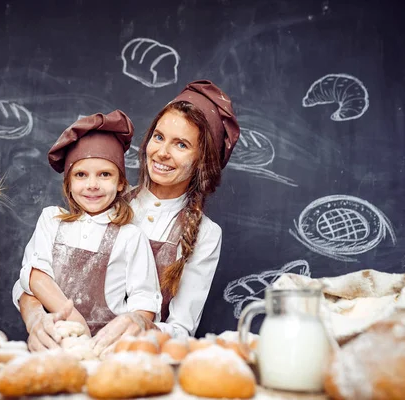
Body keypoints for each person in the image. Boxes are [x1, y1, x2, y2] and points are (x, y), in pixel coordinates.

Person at [90, 80, 240, 355]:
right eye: (158, 137)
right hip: (76, 348)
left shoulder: (206, 234)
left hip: (139, 362)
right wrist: (35, 313)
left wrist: (141, 325)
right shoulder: (103, 199)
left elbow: (182, 330)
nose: (161, 152)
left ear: (202, 160)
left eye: (181, 144)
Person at [12, 110, 162, 351]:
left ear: (120, 182)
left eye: (105, 174)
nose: (92, 185)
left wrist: (120, 341)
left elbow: (144, 302)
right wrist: (75, 322)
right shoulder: (52, 220)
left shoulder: (129, 236)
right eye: (81, 175)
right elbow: (34, 276)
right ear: (68, 184)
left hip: (107, 352)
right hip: (54, 344)